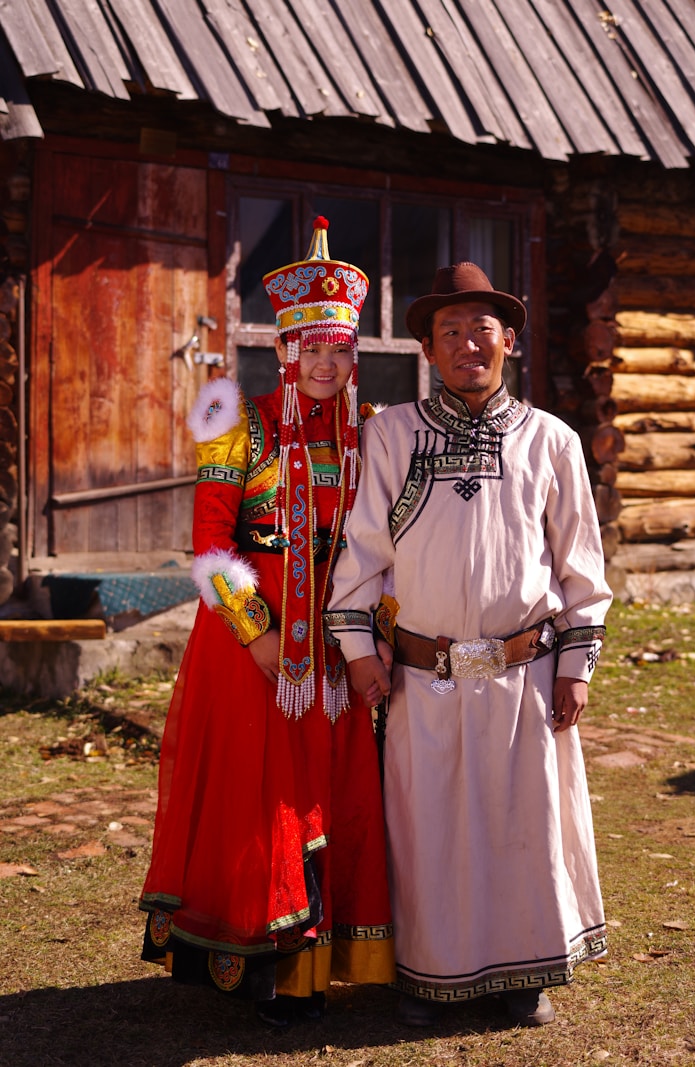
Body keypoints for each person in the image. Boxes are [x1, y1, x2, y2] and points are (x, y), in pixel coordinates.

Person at [324, 261, 612, 1028]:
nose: (466, 344)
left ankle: (527, 973)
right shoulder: (391, 436)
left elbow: (580, 564)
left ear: (508, 340)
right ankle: (427, 975)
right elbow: (361, 554)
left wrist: (577, 667)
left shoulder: (551, 440)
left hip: (526, 670)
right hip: (425, 675)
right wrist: (359, 655)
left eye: (480, 329)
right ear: (428, 350)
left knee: (526, 820)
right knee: (430, 826)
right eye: (448, 332)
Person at [139, 217, 395, 1027]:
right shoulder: (233, 424)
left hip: (338, 643)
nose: (327, 363)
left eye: (341, 349)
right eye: (312, 348)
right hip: (252, 650)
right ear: (285, 351)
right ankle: (272, 968)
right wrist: (259, 639)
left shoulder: (367, 433)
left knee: (338, 792)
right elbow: (210, 546)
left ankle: (324, 963)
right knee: (267, 802)